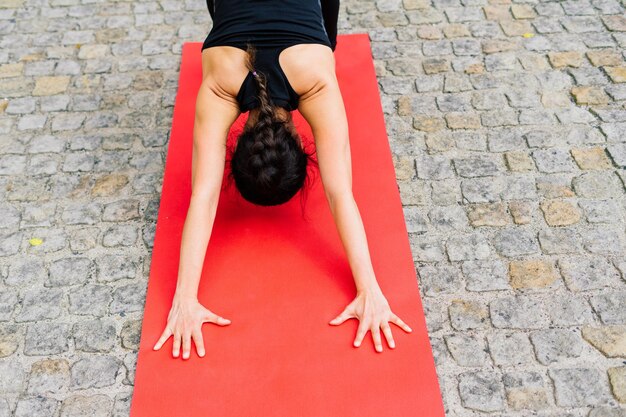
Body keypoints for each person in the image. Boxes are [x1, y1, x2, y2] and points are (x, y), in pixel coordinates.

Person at [153, 0, 412, 360]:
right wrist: (184, 298)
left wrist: (371, 290)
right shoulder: (221, 83)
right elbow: (206, 194)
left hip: (306, 48)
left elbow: (340, 193)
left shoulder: (317, 77)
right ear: (240, 137)